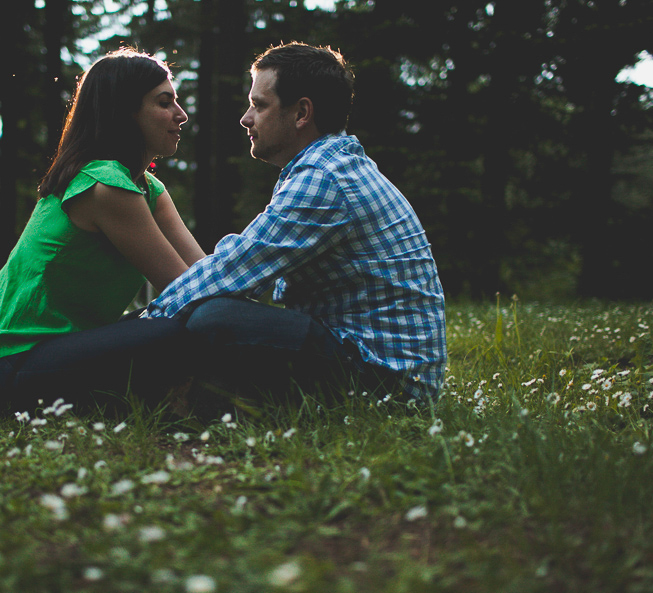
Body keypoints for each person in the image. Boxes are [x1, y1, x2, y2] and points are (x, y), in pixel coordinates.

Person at [146, 43, 446, 405]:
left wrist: (146, 323)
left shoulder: (325, 177)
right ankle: (203, 397)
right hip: (377, 366)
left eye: (259, 105)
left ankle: (184, 395)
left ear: (302, 112)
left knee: (216, 317)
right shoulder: (328, 165)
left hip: (386, 383)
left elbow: (236, 269)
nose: (246, 118)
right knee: (215, 315)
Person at [0, 49, 205, 415]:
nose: (181, 114)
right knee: (177, 328)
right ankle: (183, 398)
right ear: (125, 111)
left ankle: (174, 395)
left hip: (56, 350)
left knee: (177, 322)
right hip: (4, 366)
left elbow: (203, 273)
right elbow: (186, 290)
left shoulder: (147, 188)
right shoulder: (104, 186)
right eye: (164, 102)